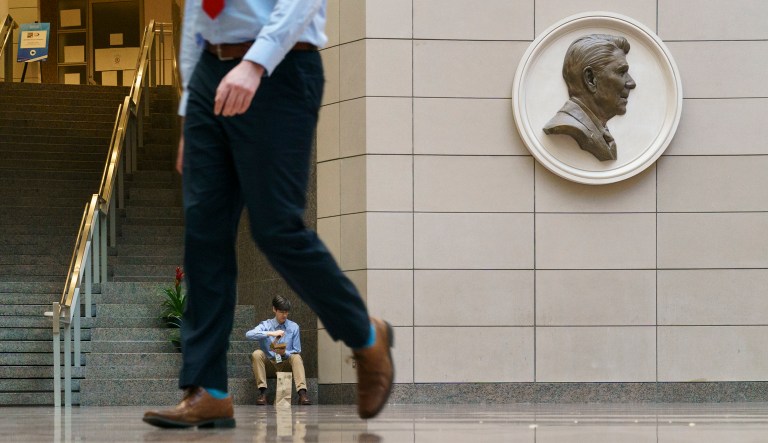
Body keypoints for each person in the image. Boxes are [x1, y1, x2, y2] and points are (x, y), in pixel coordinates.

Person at [142, 0, 393, 429]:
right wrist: (189, 109)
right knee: (204, 234)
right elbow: (196, 15)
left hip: (281, 69)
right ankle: (208, 391)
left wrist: (255, 62)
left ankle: (366, 336)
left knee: (277, 228)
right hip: (210, 71)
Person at [543, 34, 637, 161]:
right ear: (590, 79)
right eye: (621, 72)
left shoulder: (598, 129)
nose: (631, 83)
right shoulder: (570, 125)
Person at [245, 295, 310, 405]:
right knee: (257, 353)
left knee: (297, 357)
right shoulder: (266, 325)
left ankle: (302, 394)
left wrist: (285, 353)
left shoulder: (294, 327)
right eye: (281, 312)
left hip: (285, 363)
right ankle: (262, 393)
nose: (284, 315)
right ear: (274, 309)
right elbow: (248, 334)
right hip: (270, 364)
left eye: (286, 312)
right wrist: (270, 333)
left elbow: (297, 350)